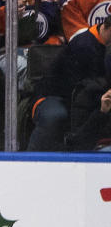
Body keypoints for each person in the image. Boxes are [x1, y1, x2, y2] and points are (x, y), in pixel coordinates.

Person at [28, 15, 111, 150]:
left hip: (84, 97)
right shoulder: (83, 45)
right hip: (55, 95)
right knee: (56, 116)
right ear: (107, 27)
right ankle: (29, 160)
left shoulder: (103, 44)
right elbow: (79, 88)